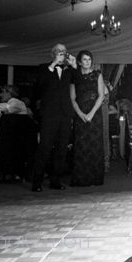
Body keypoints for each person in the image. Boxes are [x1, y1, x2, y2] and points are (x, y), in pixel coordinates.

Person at [31, 43, 77, 192]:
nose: (62, 54)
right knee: (44, 148)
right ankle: (36, 182)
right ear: (53, 54)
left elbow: (80, 82)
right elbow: (39, 86)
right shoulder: (44, 68)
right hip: (49, 115)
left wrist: (74, 65)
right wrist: (53, 65)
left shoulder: (69, 71)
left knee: (61, 149)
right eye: (58, 52)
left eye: (64, 52)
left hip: (65, 114)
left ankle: (55, 181)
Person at [68, 50, 106, 186]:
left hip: (95, 114)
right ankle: (81, 179)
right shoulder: (75, 77)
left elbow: (101, 96)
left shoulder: (97, 75)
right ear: (79, 62)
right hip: (80, 114)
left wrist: (91, 113)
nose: (87, 62)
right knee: (81, 146)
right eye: (84, 59)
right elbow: (72, 99)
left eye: (89, 59)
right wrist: (81, 114)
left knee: (94, 145)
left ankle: (95, 178)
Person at [0, 85, 36, 183]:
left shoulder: (18, 103)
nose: (1, 95)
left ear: (9, 93)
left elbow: (8, 108)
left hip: (18, 141)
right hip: (11, 141)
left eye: (3, 92)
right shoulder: (4, 109)